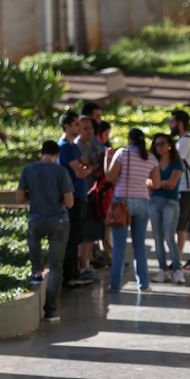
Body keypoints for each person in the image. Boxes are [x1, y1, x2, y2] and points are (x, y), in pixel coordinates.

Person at [17, 140, 74, 322]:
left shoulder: (28, 170)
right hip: (58, 220)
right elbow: (70, 201)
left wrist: (33, 196)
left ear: (42, 153)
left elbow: (19, 197)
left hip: (37, 218)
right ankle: (51, 311)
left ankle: (36, 271)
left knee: (33, 237)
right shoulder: (60, 171)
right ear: (56, 155)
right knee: (56, 267)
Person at [103, 128, 157, 293]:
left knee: (119, 246)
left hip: (123, 202)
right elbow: (155, 183)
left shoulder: (122, 154)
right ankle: (144, 284)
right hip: (142, 202)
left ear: (130, 140)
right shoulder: (151, 158)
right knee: (139, 245)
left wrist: (107, 159)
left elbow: (110, 177)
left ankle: (115, 285)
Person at [58, 110, 92, 287]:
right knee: (71, 238)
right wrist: (90, 169)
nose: (80, 127)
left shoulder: (73, 147)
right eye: (76, 124)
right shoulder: (65, 147)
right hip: (71, 198)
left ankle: (74, 272)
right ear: (67, 126)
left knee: (76, 236)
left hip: (78, 195)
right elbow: (80, 171)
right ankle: (70, 275)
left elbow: (82, 165)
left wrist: (85, 168)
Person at [148, 133, 185, 285]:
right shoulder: (152, 162)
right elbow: (148, 181)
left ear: (169, 144)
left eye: (162, 143)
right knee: (157, 238)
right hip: (154, 202)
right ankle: (162, 270)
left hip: (171, 202)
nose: (159, 147)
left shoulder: (176, 162)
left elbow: (172, 183)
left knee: (170, 237)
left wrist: (157, 184)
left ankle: (177, 270)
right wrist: (158, 183)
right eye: (156, 144)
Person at [170, 109, 190, 271]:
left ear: (180, 124)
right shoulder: (188, 139)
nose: (171, 125)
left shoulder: (184, 142)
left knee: (180, 226)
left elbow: (175, 162)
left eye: (173, 122)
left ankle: (177, 260)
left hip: (186, 188)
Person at [74, 117, 105, 283]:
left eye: (91, 129)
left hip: (96, 196)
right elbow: (83, 169)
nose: (89, 132)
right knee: (82, 235)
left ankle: (86, 265)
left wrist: (92, 166)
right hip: (82, 194)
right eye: (85, 129)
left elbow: (103, 162)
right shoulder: (76, 147)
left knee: (91, 235)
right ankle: (82, 266)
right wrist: (94, 166)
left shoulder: (97, 144)